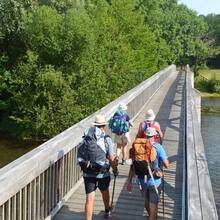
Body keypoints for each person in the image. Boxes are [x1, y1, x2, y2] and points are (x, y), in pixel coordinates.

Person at [78, 115, 118, 220]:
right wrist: (115, 169)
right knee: (105, 191)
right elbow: (111, 158)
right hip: (103, 172)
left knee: (90, 198)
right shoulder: (106, 139)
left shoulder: (87, 137)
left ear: (95, 125)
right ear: (104, 126)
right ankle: (106, 210)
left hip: (88, 171)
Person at [127, 127, 169, 220]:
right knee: (153, 207)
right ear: (154, 136)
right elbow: (167, 165)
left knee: (147, 202)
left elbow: (133, 166)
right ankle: (152, 216)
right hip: (155, 182)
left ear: (145, 135)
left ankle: (152, 216)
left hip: (142, 180)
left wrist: (129, 182)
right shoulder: (158, 147)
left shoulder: (138, 147)